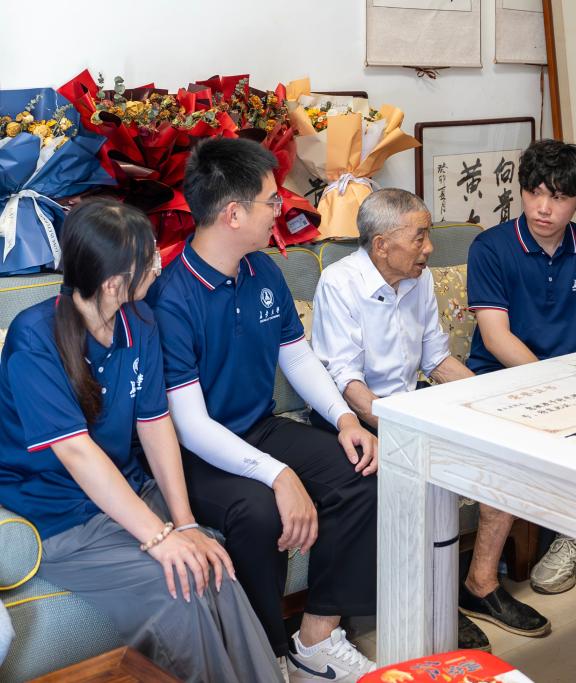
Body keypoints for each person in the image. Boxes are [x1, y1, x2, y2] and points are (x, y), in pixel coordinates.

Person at [0, 199, 280, 682]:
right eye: (149, 260)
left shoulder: (140, 322)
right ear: (113, 283)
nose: (159, 265)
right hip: (59, 515)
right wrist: (159, 537)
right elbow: (77, 453)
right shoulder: (34, 338)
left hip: (127, 490)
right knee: (181, 590)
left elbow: (155, 424)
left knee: (215, 565)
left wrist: (185, 524)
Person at [147, 138, 378, 682]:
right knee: (259, 512)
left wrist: (346, 419)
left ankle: (316, 638)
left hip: (258, 428)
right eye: (271, 200)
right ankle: (266, 658)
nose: (280, 209)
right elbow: (190, 425)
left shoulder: (263, 272)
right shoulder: (172, 297)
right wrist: (279, 476)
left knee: (363, 472)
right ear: (233, 214)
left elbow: (296, 358)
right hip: (195, 452)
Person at [310, 187, 504, 651]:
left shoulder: (420, 278)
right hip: (353, 416)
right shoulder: (340, 283)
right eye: (419, 237)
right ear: (381, 244)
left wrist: (490, 399)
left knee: (491, 449)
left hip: (409, 404)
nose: (429, 248)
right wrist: (403, 428)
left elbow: (436, 359)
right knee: (408, 474)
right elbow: (346, 380)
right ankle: (420, 603)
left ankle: (458, 591)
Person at [465, 139, 576, 610]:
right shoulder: (492, 247)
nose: (543, 207)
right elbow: (496, 337)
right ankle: (483, 583)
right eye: (535, 192)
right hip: (503, 381)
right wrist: (556, 388)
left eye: (558, 197)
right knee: (510, 448)